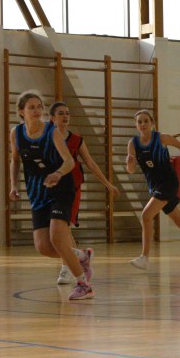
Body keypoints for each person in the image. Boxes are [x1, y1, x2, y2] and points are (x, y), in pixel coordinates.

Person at [8, 90, 95, 300]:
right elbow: (16, 160)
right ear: (21, 111)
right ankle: (81, 255)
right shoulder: (16, 133)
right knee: (43, 247)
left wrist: (57, 174)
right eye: (31, 107)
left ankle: (84, 285)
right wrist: (13, 185)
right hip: (37, 193)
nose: (37, 110)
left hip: (61, 188)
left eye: (39, 106)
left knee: (57, 238)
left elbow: (69, 161)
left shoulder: (51, 131)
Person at [125, 109, 180, 271]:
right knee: (179, 221)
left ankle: (144, 257)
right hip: (154, 186)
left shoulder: (161, 138)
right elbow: (131, 170)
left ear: (152, 123)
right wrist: (130, 162)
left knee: (146, 216)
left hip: (168, 182)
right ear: (136, 125)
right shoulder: (133, 143)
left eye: (146, 121)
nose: (143, 124)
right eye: (139, 122)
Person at [49, 101, 120, 285]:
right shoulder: (46, 137)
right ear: (52, 118)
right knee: (58, 233)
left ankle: (67, 268)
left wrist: (107, 184)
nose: (65, 116)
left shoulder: (76, 140)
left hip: (71, 188)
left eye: (67, 113)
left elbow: (90, 163)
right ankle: (80, 258)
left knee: (64, 228)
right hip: (50, 188)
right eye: (61, 113)